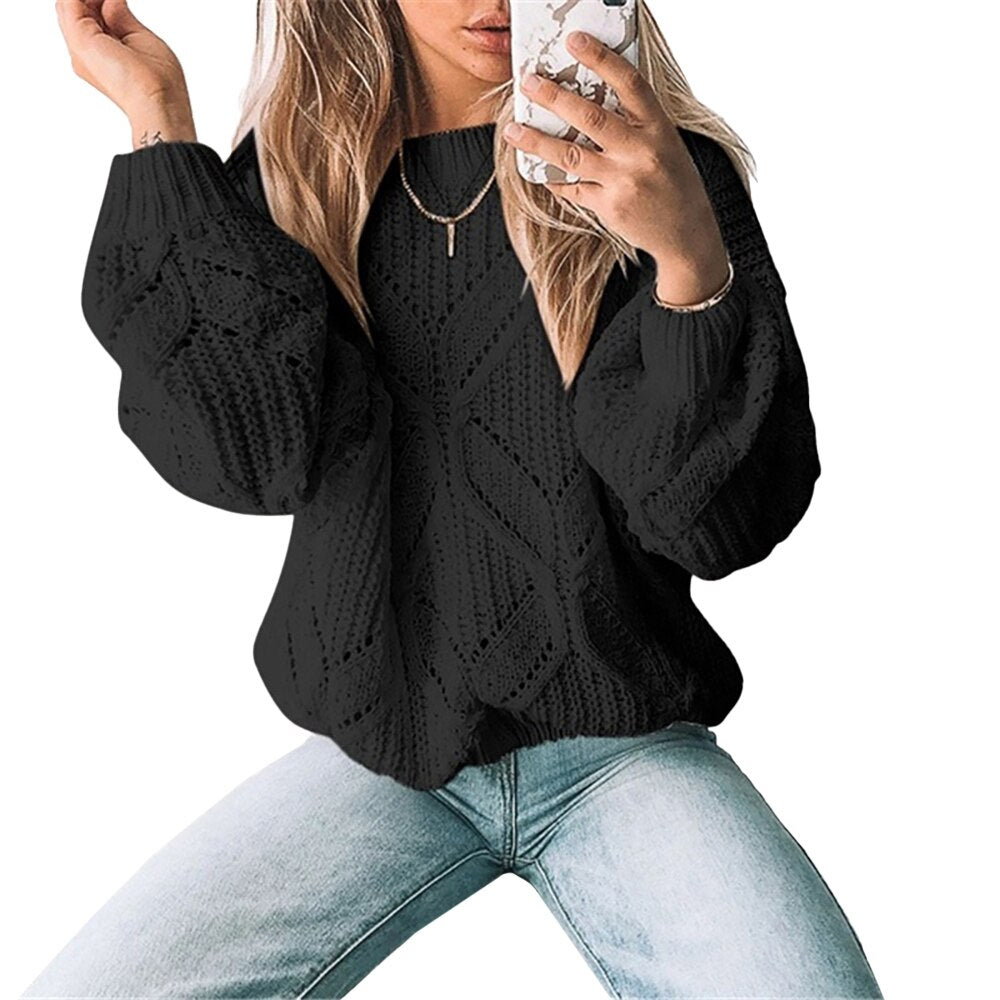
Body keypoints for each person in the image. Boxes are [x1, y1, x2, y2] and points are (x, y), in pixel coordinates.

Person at [26, 1, 882, 997]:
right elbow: (249, 460)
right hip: (385, 744)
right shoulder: (296, 180)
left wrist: (690, 263)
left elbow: (716, 526)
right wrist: (160, 123)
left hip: (625, 742)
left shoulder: (657, 170)